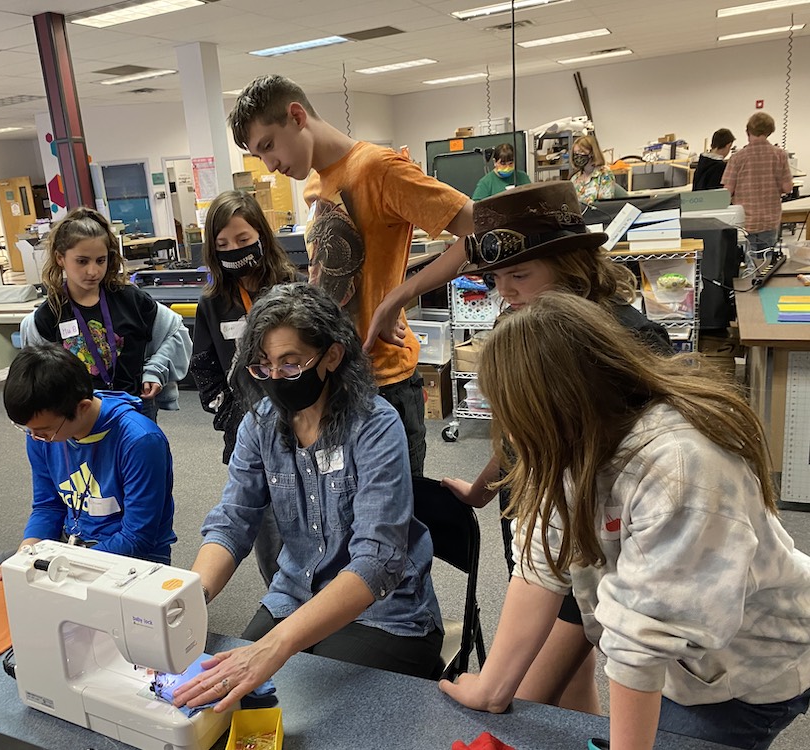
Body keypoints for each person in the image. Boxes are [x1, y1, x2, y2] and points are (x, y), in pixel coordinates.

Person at [440, 291, 810, 750]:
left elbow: (643, 640)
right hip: (678, 659)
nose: (510, 433)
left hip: (745, 668)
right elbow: (539, 560)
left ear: (559, 402)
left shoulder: (680, 465)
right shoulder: (570, 441)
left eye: (514, 416)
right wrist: (492, 689)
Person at [436, 182, 669, 715]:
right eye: (498, 278)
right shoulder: (525, 321)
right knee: (568, 686)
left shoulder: (626, 342)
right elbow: (524, 429)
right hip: (531, 514)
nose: (507, 291)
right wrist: (482, 487)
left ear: (572, 263)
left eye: (520, 275)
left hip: (584, 540)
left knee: (523, 700)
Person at [172, 283, 443, 713]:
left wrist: (274, 646)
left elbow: (376, 561)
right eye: (263, 367)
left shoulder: (375, 426)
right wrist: (188, 598)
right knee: (229, 700)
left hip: (384, 614)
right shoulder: (260, 423)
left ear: (331, 357)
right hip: (295, 595)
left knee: (301, 715)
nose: (275, 379)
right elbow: (232, 521)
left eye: (291, 364)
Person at [228, 74, 475, 477]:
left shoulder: (378, 168)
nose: (270, 166)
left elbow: (482, 230)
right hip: (331, 379)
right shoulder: (313, 186)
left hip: (385, 381)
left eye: (268, 146)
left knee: (393, 520)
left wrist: (396, 298)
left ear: (296, 116)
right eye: (260, 156)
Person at [0, 344, 176, 580]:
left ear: (82, 407)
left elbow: (137, 538)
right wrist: (25, 556)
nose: (36, 438)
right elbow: (47, 506)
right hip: (67, 551)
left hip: (132, 562)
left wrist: (64, 567)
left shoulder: (140, 441)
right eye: (28, 429)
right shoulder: (41, 433)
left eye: (45, 431)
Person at [190, 189, 302, 587]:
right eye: (222, 245)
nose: (233, 250)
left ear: (261, 236)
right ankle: (280, 595)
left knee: (310, 521)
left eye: (242, 240)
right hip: (249, 431)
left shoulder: (294, 289)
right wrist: (229, 416)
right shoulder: (214, 302)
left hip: (302, 424)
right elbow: (204, 367)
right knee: (265, 529)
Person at [22, 206, 193, 422]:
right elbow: (37, 377)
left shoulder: (131, 300)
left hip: (135, 409)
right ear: (60, 258)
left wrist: (155, 371)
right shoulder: (48, 316)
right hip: (79, 417)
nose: (93, 271)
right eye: (82, 261)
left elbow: (177, 333)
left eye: (100, 260)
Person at [722, 112, 794, 260]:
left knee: (748, 265)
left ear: (748, 131)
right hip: (770, 219)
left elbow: (726, 192)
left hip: (744, 221)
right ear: (769, 131)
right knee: (766, 265)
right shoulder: (780, 155)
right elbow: (788, 188)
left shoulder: (737, 158)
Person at [570, 135, 615, 205]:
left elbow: (606, 205)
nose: (578, 156)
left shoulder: (605, 174)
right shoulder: (574, 179)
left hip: (598, 215)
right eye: (575, 153)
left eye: (581, 152)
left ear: (592, 153)